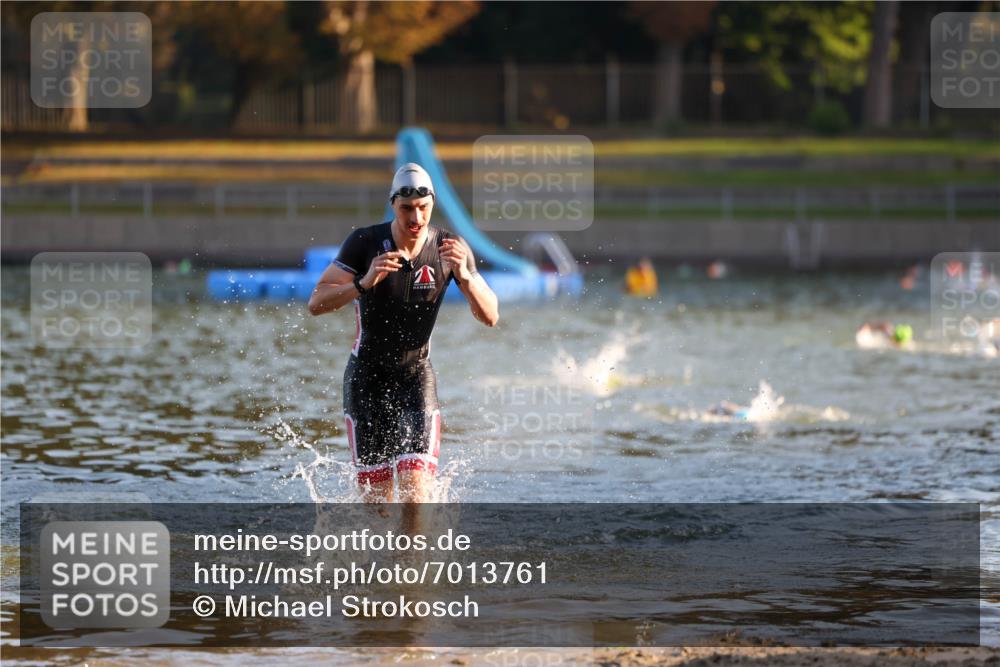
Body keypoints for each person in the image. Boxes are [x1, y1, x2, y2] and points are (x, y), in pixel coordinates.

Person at [307, 163, 499, 505]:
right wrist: (363, 283)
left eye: (423, 208)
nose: (415, 218)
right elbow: (316, 303)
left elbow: (490, 316)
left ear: (432, 205)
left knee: (415, 498)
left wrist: (465, 277)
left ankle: (415, 560)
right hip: (367, 381)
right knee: (377, 508)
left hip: (415, 380)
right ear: (393, 205)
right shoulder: (365, 242)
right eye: (406, 209)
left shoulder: (450, 247)